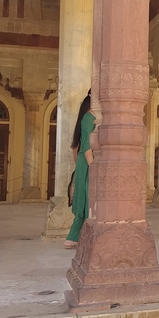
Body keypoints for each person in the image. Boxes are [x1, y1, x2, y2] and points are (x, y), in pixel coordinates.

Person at [64, 93, 95, 250]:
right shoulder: (89, 117)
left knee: (86, 198)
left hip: (86, 163)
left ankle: (73, 237)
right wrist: (94, 168)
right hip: (89, 163)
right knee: (87, 198)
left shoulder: (88, 117)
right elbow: (87, 146)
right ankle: (76, 237)